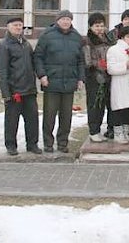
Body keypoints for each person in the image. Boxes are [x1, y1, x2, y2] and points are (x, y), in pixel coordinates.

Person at [34, 9, 84, 153]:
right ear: (57, 20)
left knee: (66, 116)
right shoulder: (47, 35)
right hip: (51, 82)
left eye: (68, 19)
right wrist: (42, 75)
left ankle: (63, 143)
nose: (65, 22)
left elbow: (80, 60)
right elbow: (38, 56)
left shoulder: (76, 37)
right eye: (63, 19)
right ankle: (48, 143)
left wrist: (80, 78)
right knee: (49, 115)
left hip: (69, 82)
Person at [0, 17, 41, 156]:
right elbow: (2, 71)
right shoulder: (4, 46)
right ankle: (11, 145)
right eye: (15, 25)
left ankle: (32, 144)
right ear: (8, 27)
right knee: (11, 121)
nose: (18, 28)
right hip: (14, 91)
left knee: (32, 120)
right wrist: (6, 93)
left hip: (29, 89)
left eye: (20, 25)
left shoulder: (26, 44)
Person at [83, 12, 114, 143]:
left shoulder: (109, 38)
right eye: (97, 26)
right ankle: (94, 131)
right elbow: (87, 60)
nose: (100, 28)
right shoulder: (87, 40)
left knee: (107, 104)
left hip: (108, 75)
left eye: (102, 25)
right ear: (91, 27)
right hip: (94, 76)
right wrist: (98, 67)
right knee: (95, 104)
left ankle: (108, 129)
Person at [107, 25, 129, 144]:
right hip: (120, 83)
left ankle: (126, 132)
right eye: (128, 36)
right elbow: (111, 69)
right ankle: (118, 133)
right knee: (119, 108)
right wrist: (125, 66)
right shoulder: (114, 50)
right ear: (122, 37)